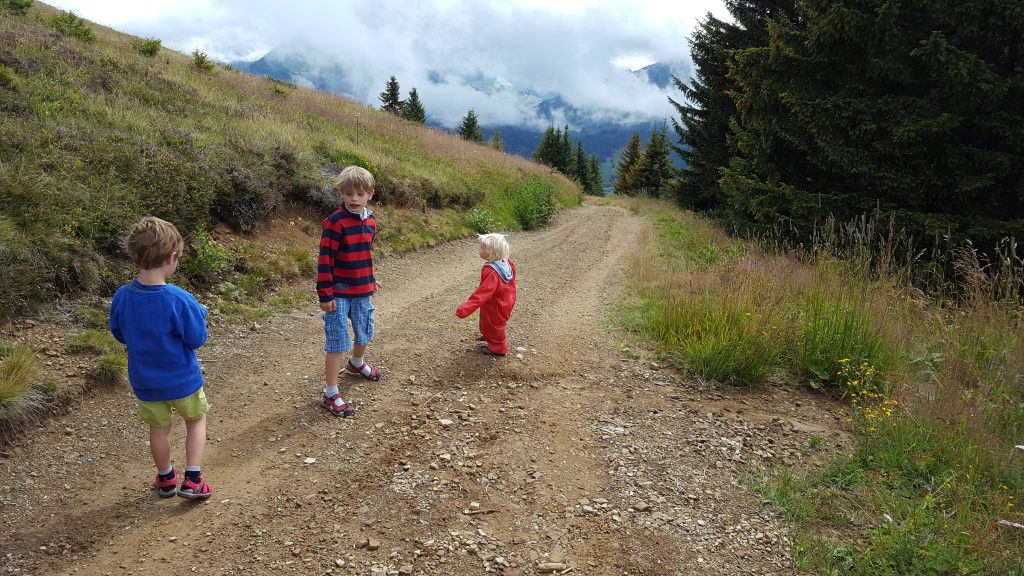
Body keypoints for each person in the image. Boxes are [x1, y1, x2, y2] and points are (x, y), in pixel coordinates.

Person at [109, 217, 212, 500]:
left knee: (158, 428)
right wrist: (199, 314)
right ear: (172, 257)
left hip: (145, 382)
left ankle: (166, 478)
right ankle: (193, 479)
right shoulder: (180, 299)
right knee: (196, 420)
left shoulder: (122, 296)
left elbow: (119, 333)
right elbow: (197, 339)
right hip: (183, 380)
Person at [317, 166, 382, 417]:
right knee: (337, 341)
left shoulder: (371, 221)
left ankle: (356, 364)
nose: (354, 199)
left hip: (363, 289)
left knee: (365, 332)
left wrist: (371, 278)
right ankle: (331, 392)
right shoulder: (334, 223)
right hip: (338, 294)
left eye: (359, 194)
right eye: (348, 194)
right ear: (341, 194)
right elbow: (325, 260)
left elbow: (365, 254)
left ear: (370, 195)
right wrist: (325, 293)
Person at [456, 233, 517, 356]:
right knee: (487, 321)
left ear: (491, 252)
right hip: (503, 300)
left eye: (482, 248)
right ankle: (489, 336)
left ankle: (498, 349)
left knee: (494, 324)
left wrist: (465, 308)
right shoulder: (506, 262)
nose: (480, 249)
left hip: (496, 303)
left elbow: (483, 292)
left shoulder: (492, 271)